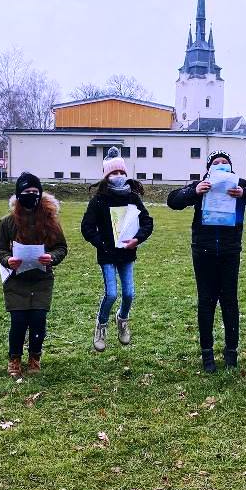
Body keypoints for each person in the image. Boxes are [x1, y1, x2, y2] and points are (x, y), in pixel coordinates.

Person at [167, 150, 246, 372]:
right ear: (209, 168)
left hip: (230, 250)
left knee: (229, 301)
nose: (221, 165)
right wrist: (194, 192)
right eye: (216, 162)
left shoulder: (238, 183)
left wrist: (244, 192)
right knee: (206, 302)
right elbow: (173, 200)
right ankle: (207, 352)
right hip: (203, 250)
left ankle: (231, 352)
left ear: (231, 167)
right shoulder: (201, 184)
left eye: (225, 162)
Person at [0, 173, 68, 378]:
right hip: (16, 280)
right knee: (18, 321)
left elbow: (61, 247)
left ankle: (35, 356)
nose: (31, 195)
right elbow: (0, 249)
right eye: (27, 192)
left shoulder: (50, 221)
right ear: (19, 195)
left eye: (35, 192)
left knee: (38, 320)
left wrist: (51, 257)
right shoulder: (6, 223)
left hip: (41, 279)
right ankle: (14, 358)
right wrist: (8, 260)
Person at [80, 148, 154, 352]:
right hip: (107, 255)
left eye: (121, 172)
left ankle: (122, 319)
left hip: (127, 254)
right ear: (106, 176)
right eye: (114, 172)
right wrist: (102, 244)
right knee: (111, 294)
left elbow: (147, 222)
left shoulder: (133, 198)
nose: (119, 176)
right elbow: (87, 227)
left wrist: (137, 239)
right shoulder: (98, 200)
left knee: (129, 293)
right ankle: (101, 326)